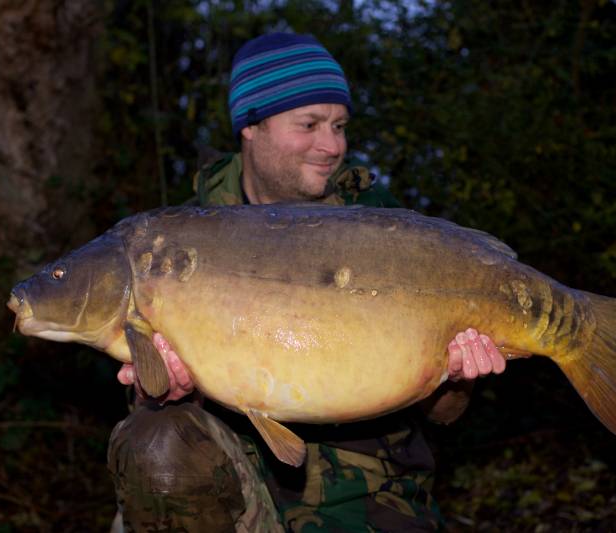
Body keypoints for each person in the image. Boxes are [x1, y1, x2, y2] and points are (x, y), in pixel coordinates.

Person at [108, 33, 506, 532]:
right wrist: (167, 390)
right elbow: (146, 402)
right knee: (157, 438)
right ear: (251, 126)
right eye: (310, 124)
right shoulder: (177, 244)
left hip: (372, 499)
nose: (332, 145)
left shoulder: (386, 231)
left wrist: (459, 377)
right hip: (232, 496)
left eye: (339, 125)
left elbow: (444, 414)